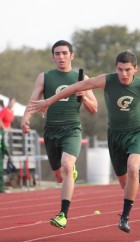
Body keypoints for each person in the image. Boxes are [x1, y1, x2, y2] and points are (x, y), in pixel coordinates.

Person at [27, 50, 140, 233]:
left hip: (137, 132)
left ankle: (124, 217)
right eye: (119, 69)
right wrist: (49, 101)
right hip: (115, 135)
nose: (123, 74)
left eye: (127, 70)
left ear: (135, 69)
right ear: (115, 68)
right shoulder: (106, 80)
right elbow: (76, 87)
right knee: (125, 185)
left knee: (132, 166)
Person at [21, 40, 98, 229]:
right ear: (53, 56)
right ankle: (68, 171)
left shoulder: (82, 78)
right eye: (57, 53)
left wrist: (84, 97)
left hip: (72, 129)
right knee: (59, 175)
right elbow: (33, 101)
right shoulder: (45, 77)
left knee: (66, 165)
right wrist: (25, 119)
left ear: (72, 55)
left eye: (64, 53)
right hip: (51, 131)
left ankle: (63, 214)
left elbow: (94, 108)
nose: (61, 57)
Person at [0, 121, 10, 193]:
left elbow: (3, 143)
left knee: (0, 171)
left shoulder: (1, 132)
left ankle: (1, 188)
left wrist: (7, 153)